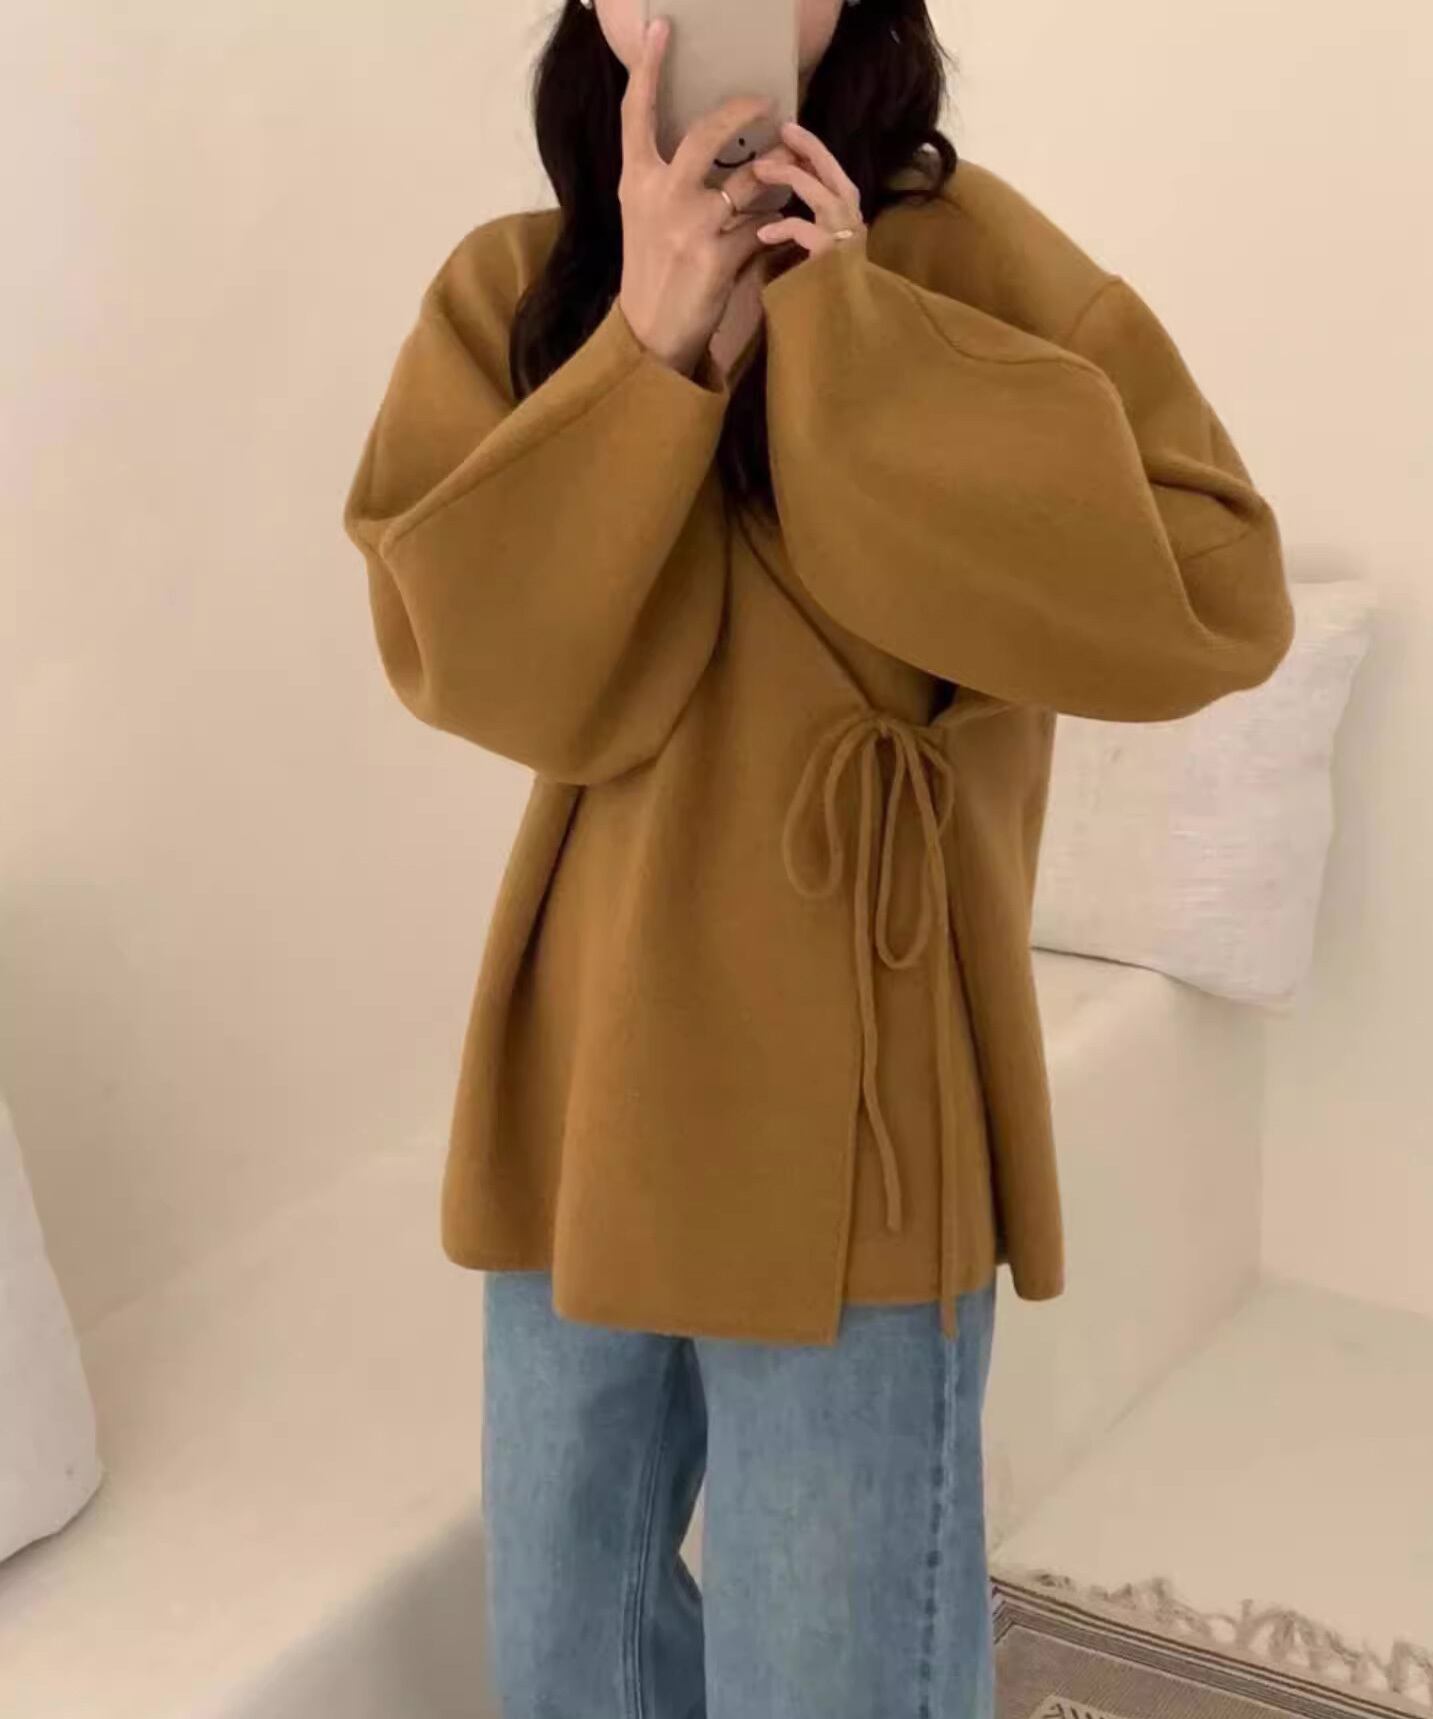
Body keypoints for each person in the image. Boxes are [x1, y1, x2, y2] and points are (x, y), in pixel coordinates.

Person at [341, 2, 1295, 1712]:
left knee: (829, 1676)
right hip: (586, 1068)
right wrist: (645, 346)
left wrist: (848, 332)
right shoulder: (513, 285)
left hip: (856, 1085)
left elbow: (1213, 605)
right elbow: (478, 670)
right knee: (564, 1660)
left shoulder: (969, 259)